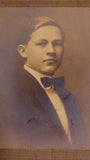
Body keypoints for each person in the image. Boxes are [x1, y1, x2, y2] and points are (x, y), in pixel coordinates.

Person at [0, 16, 87, 148]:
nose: (51, 51)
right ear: (23, 51)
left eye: (57, 43)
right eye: (42, 43)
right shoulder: (9, 96)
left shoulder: (69, 99)